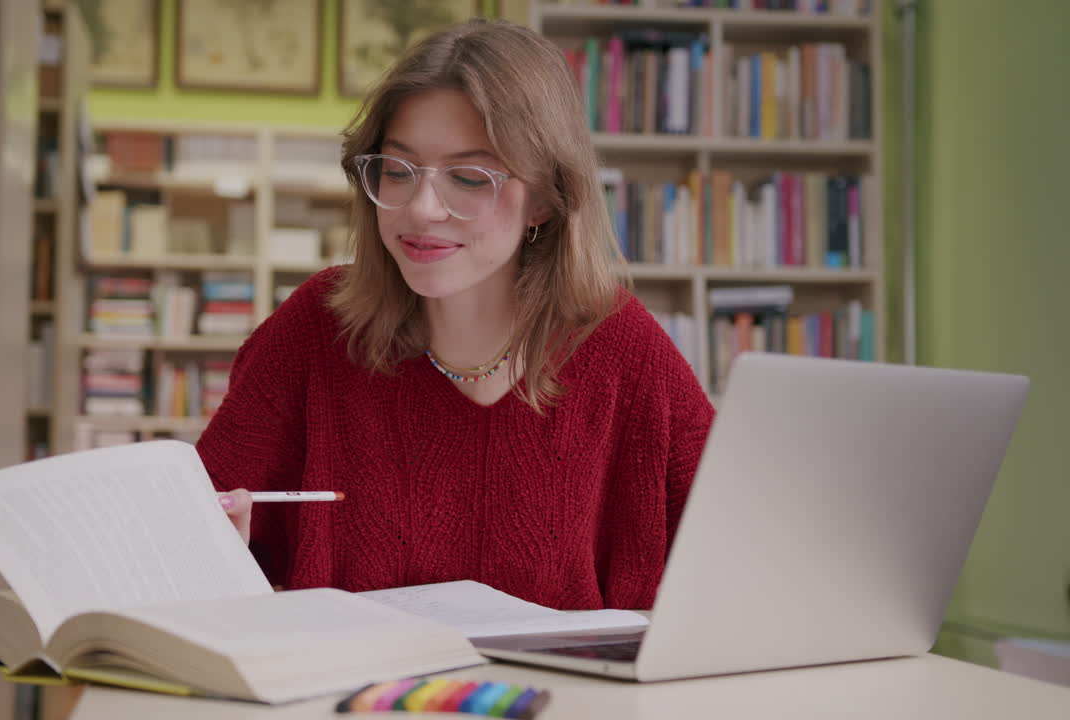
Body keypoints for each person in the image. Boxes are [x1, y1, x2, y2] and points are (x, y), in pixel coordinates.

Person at [196, 18, 713, 611]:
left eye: (469, 177)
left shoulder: (622, 347)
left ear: (545, 197)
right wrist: (222, 560)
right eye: (397, 169)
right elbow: (195, 538)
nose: (421, 208)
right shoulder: (317, 327)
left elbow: (737, 557)